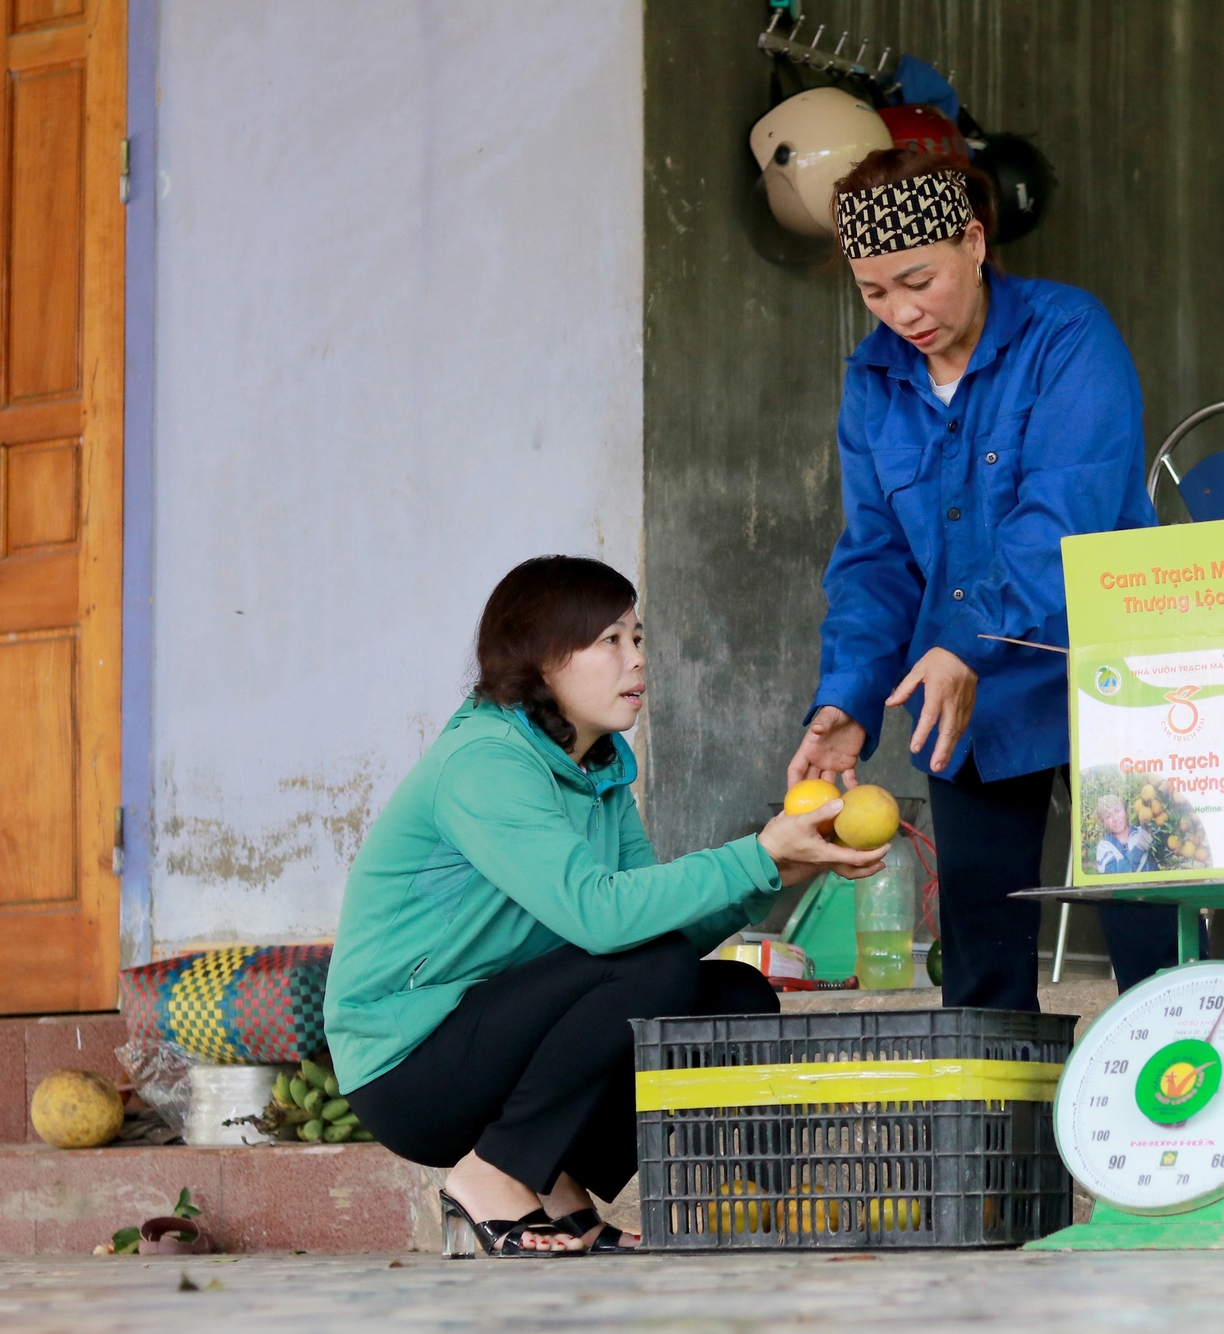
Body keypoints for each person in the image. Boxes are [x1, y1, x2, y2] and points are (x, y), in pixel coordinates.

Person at [326, 556, 882, 1257]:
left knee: (731, 992)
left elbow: (656, 929)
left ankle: (558, 1186)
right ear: (541, 661)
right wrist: (755, 854)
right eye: (609, 641)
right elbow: (604, 918)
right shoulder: (485, 763)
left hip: (494, 1031)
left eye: (638, 638)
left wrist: (777, 871)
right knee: (646, 972)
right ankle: (493, 1173)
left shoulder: (599, 768)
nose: (637, 661)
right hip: (410, 1065)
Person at [786, 148, 1180, 1012]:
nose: (902, 313)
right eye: (874, 293)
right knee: (984, 968)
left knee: (1155, 948)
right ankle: (1007, 1148)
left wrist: (964, 642)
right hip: (970, 691)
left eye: (918, 280)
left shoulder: (1068, 336)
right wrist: (844, 702)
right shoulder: (875, 382)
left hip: (1113, 674)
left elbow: (1062, 519)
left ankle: (1178, 1138)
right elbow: (876, 555)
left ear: (972, 241)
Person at [1091, 795, 1158, 877]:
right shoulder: (1104, 847)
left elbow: (1162, 854)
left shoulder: (1141, 833)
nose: (1115, 819)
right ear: (1103, 822)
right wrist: (1139, 847)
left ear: (1125, 810)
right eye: (1108, 816)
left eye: (1117, 811)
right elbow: (1115, 876)